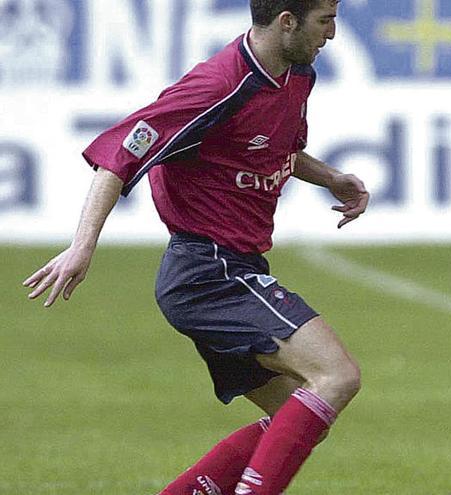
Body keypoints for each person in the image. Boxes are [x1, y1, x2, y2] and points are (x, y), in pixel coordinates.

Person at [23, 1, 368, 494]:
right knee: (336, 376)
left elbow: (275, 148)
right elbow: (121, 153)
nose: (332, 34)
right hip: (210, 270)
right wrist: (82, 247)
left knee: (296, 411)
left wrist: (330, 177)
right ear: (287, 21)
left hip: (229, 269)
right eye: (324, 21)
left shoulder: (297, 75)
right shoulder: (217, 85)